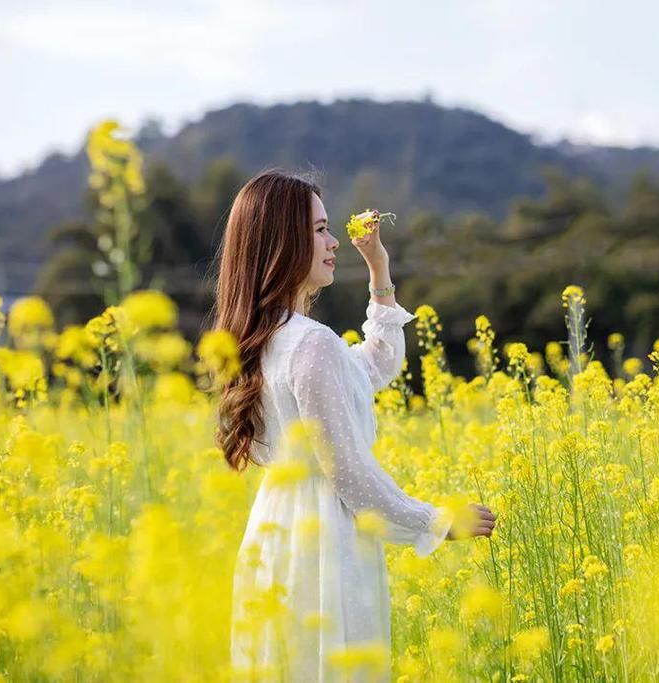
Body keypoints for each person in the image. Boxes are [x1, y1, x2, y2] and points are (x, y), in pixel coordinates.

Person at [212, 168, 496, 681]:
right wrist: (436, 520)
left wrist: (379, 273)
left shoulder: (262, 340)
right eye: (320, 229)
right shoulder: (310, 343)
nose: (333, 240)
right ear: (283, 240)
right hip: (323, 547)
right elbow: (349, 476)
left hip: (276, 536)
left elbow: (374, 366)